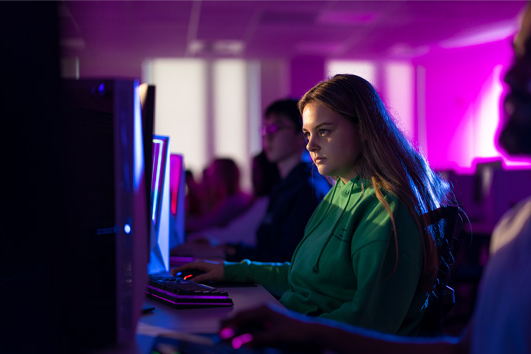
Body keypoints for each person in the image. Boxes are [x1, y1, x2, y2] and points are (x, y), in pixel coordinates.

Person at [218, 2, 531, 354]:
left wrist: (309, 332)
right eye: (517, 53)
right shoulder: (516, 226)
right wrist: (304, 330)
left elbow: (375, 322)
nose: (511, 74)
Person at [173, 75, 452, 335]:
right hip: (309, 334)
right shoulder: (340, 190)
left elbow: (371, 322)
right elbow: (301, 277)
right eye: (308, 134)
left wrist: (289, 329)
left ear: (365, 129)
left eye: (324, 131)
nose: (311, 145)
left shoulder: (388, 208)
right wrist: (227, 271)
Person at [171, 99, 331, 262]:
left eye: (276, 127)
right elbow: (267, 248)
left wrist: (226, 253)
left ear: (302, 135)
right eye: (266, 128)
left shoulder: (306, 188)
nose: (268, 136)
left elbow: (286, 260)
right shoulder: (284, 186)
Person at [190, 151, 281, 246]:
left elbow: (234, 232)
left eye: (213, 172)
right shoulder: (240, 200)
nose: (253, 177)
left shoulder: (238, 202)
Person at [184, 158, 253, 234]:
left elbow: (206, 223)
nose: (210, 176)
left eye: (214, 172)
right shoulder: (230, 198)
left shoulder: (235, 202)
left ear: (224, 175)